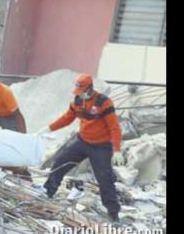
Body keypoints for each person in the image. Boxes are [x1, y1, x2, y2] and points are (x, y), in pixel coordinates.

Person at [38, 73, 125, 221]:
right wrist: (48, 128)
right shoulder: (77, 101)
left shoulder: (104, 102)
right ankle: (48, 192)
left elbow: (114, 128)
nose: (80, 94)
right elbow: (67, 118)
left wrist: (117, 150)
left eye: (82, 91)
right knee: (60, 163)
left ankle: (113, 213)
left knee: (104, 179)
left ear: (90, 88)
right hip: (83, 141)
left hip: (101, 147)